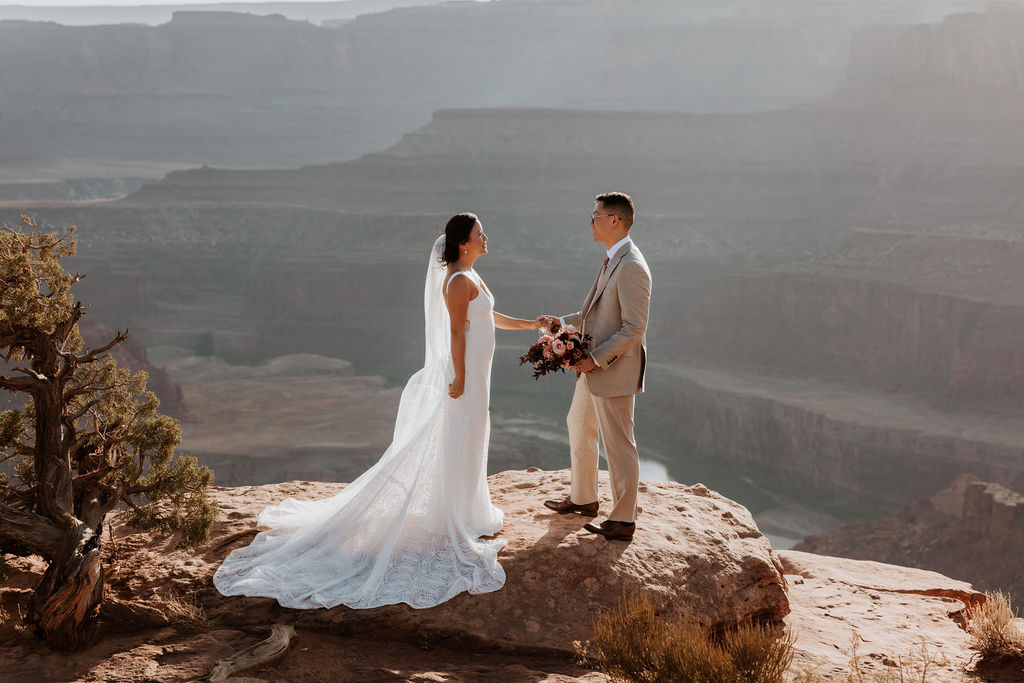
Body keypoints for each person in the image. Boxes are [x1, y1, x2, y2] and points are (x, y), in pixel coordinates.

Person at [214, 213, 545, 609]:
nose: (486, 238)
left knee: (473, 436)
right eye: (479, 234)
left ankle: (467, 508)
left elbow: (485, 317)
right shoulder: (457, 282)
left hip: (478, 375)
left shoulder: (471, 277)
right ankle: (454, 516)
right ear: (463, 244)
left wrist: (530, 325)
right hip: (467, 375)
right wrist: (459, 376)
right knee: (461, 438)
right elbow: (456, 332)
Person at [540, 192, 652, 541]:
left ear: (614, 220)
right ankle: (584, 498)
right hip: (593, 369)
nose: (592, 221)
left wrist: (596, 358)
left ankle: (623, 520)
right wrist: (558, 322)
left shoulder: (632, 266)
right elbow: (594, 316)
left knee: (619, 445)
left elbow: (635, 327)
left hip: (612, 370)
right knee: (578, 422)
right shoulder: (611, 259)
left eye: (596, 215)